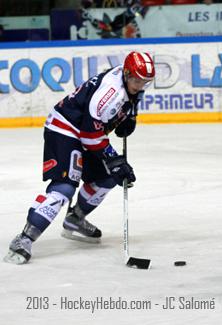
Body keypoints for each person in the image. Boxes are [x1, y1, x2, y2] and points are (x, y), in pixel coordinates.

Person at [4, 51, 155, 265]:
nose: (140, 85)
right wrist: (113, 159)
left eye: (145, 81)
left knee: (109, 177)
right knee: (64, 188)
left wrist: (127, 118)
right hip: (64, 130)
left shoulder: (130, 84)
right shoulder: (111, 91)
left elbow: (111, 117)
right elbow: (90, 135)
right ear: (127, 73)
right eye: (137, 80)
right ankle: (24, 239)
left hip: (86, 132)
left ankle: (75, 219)